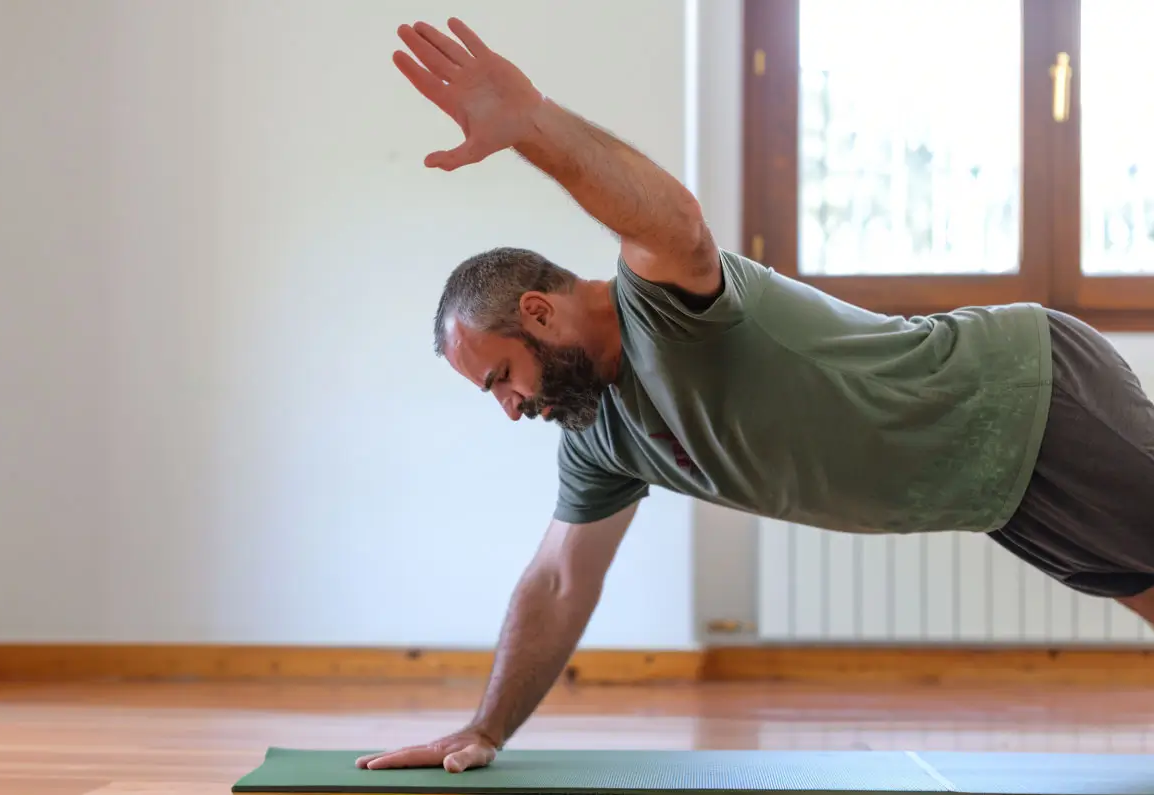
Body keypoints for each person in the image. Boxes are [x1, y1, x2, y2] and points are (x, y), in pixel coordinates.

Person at [358, 17, 1154, 774]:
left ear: (538, 312)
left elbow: (673, 221)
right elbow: (559, 578)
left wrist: (532, 124)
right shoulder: (600, 435)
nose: (510, 407)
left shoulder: (662, 306)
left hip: (1025, 390)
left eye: (501, 378)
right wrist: (484, 727)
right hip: (995, 487)